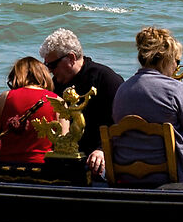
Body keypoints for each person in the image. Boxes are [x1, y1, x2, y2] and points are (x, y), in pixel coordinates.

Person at [110, 27, 183, 184]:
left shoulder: (122, 90)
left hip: (128, 173)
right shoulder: (175, 89)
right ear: (165, 60)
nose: (176, 67)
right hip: (170, 174)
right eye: (177, 61)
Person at [38, 29, 123, 179]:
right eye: (47, 66)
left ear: (71, 58)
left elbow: (118, 124)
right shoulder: (54, 85)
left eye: (52, 66)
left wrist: (102, 150)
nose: (50, 72)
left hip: (97, 157)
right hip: (63, 154)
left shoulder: (107, 80)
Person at [0, 56, 63, 167]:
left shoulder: (5, 97)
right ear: (44, 76)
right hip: (43, 167)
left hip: (5, 165)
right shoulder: (57, 101)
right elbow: (64, 145)